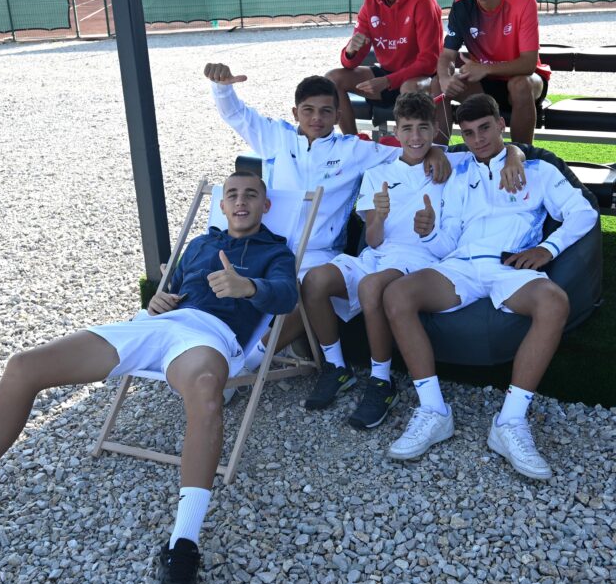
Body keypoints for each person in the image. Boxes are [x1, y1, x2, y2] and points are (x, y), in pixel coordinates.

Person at [0, 171, 298, 584]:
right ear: (223, 205)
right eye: (233, 195)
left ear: (265, 206)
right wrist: (158, 301)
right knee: (24, 366)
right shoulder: (200, 245)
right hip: (156, 326)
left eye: (251, 195)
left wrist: (249, 287)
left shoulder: (276, 252)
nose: (241, 201)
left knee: (207, 392)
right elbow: (171, 291)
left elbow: (287, 297)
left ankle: (183, 546)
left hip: (208, 337)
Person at [382, 94, 597, 480]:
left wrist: (548, 249)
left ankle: (510, 422)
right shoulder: (457, 169)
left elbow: (584, 212)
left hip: (509, 266)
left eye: (485, 128)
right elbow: (448, 239)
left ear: (501, 124)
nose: (478, 139)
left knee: (553, 301)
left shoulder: (538, 170)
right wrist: (428, 232)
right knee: (397, 294)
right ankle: (433, 410)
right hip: (461, 265)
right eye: (468, 133)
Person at [204, 63, 450, 373]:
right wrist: (222, 87)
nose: (316, 119)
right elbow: (235, 114)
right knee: (228, 284)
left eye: (325, 111)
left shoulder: (353, 150)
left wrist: (438, 151)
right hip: (270, 247)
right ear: (295, 113)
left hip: (320, 252)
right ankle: (215, 353)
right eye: (308, 111)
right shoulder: (276, 137)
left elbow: (409, 148)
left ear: (337, 116)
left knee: (304, 290)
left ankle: (244, 365)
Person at [300, 93, 525, 420]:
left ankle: (381, 381)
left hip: (421, 259)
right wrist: (378, 218)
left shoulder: (453, 162)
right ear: (397, 131)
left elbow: (507, 150)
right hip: (377, 255)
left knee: (371, 286)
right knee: (314, 280)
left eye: (423, 128)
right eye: (407, 129)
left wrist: (515, 156)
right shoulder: (378, 173)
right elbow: (373, 240)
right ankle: (336, 367)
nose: (416, 137)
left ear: (435, 129)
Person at [433, 0, 551, 145]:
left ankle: (522, 154)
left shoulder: (523, 1)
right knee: (437, 84)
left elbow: (529, 64)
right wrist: (444, 78)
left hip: (526, 81)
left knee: (520, 85)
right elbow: (447, 55)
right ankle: (439, 153)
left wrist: (485, 68)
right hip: (485, 82)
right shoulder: (461, 8)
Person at [326, 0, 442, 135]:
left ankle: (410, 147)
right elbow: (350, 63)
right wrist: (351, 51)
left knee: (409, 88)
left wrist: (387, 81)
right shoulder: (370, 4)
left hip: (422, 80)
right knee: (333, 78)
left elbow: (429, 62)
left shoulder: (423, 0)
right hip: (388, 78)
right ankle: (353, 143)